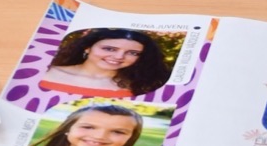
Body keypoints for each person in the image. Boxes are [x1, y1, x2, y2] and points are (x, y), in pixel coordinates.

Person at [40, 27, 170, 96]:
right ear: (87, 48)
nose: (119, 56)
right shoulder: (47, 72)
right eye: (109, 49)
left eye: (132, 53)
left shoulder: (142, 86)